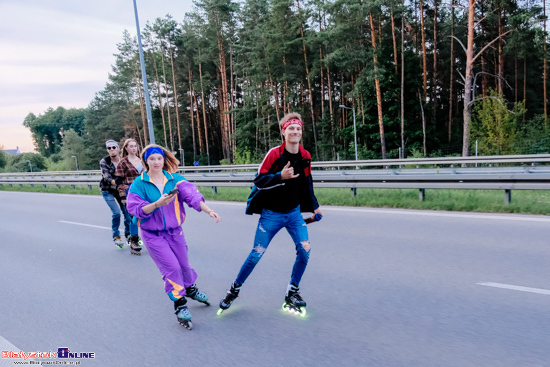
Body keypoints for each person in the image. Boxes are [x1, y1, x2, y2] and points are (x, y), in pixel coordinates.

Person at [218, 112, 323, 316]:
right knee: (256, 254)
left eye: (298, 128)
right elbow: (259, 181)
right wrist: (280, 176)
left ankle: (292, 292)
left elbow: (306, 183)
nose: (295, 131)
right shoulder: (274, 154)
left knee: (305, 250)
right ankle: (234, 290)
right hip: (271, 215)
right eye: (291, 128)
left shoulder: (305, 156)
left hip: (293, 213)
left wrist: (314, 206)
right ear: (284, 132)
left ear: (302, 132)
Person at [126, 144, 220, 329]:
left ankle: (190, 288)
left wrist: (209, 210)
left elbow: (192, 196)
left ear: (163, 160)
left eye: (159, 158)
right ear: (146, 161)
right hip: (152, 234)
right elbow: (135, 209)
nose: (156, 162)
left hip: (175, 231)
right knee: (172, 268)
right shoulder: (139, 183)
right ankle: (180, 305)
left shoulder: (175, 180)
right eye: (152, 159)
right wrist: (157, 204)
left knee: (184, 265)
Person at [99, 140, 131, 248]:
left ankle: (128, 234)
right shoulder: (105, 161)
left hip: (121, 190)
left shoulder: (124, 161)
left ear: (118, 148)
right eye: (109, 148)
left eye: (114, 147)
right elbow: (106, 176)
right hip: (108, 190)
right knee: (116, 213)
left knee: (127, 213)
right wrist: (117, 182)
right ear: (107, 150)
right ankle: (116, 235)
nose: (112, 150)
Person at [115, 138, 144, 255]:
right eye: (131, 146)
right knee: (134, 217)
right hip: (130, 191)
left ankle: (155, 238)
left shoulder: (143, 160)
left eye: (135, 146)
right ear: (126, 148)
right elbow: (119, 181)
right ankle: (134, 241)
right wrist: (123, 196)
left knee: (150, 214)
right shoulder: (123, 162)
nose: (133, 148)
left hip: (143, 191)